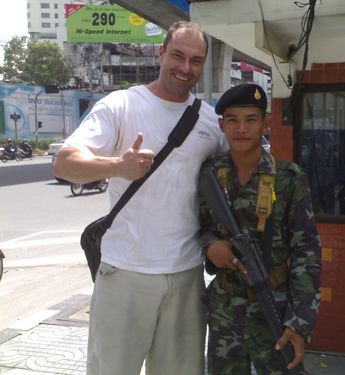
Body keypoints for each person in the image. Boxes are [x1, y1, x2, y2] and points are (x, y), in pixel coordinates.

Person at [53, 21, 225, 375]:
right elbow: (65, 163)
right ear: (161, 53)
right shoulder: (122, 105)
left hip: (186, 275)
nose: (185, 67)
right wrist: (116, 165)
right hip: (126, 272)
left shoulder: (208, 121)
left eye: (195, 60)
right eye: (177, 55)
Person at [197, 83, 322, 374]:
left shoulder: (289, 178)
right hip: (226, 309)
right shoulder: (210, 176)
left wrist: (299, 322)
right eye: (233, 120)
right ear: (221, 125)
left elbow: (308, 253)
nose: (241, 128)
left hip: (276, 308)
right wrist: (210, 246)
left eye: (251, 119)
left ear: (265, 123)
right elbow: (198, 226)